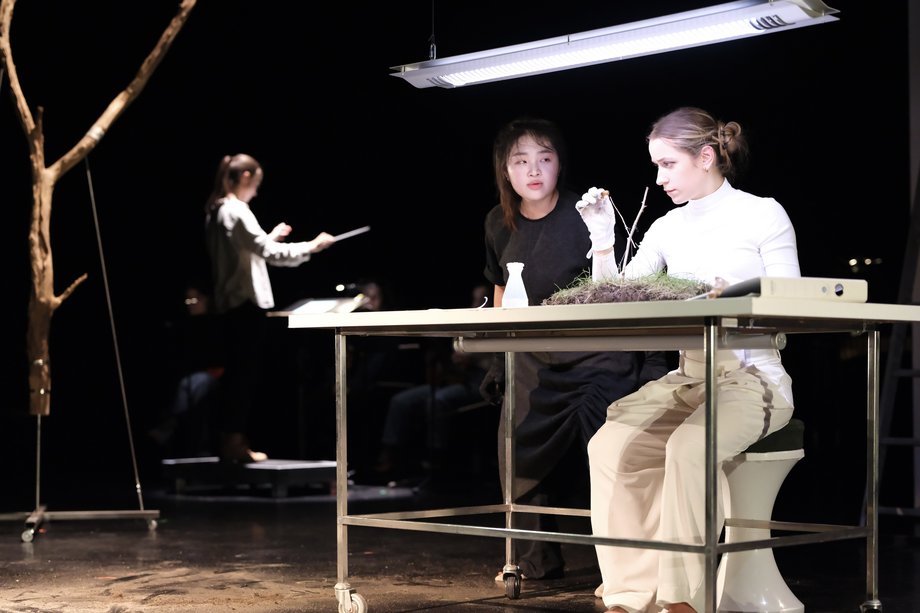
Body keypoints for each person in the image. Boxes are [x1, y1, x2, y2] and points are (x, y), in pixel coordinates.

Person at [579, 107, 800, 613]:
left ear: (706, 157)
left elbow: (792, 297)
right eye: (655, 166)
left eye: (668, 165)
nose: (659, 180)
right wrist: (602, 239)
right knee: (610, 446)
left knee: (688, 448)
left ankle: (684, 601)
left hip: (751, 378)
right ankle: (632, 595)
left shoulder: (762, 212)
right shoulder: (665, 227)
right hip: (688, 378)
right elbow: (618, 301)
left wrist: (732, 296)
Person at [481, 117, 669, 582]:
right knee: (516, 448)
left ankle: (627, 566)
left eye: (544, 158)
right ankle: (531, 559)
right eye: (520, 161)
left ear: (560, 164)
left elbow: (621, 284)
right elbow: (502, 287)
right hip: (530, 355)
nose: (533, 170)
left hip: (594, 353)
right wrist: (499, 357)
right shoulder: (497, 222)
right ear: (505, 170)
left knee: (610, 453)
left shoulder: (585, 212)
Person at [204, 153, 337, 463]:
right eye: (256, 184)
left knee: (237, 374)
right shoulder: (237, 210)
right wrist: (312, 246)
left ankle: (231, 440)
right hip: (245, 305)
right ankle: (233, 442)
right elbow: (268, 252)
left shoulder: (216, 210)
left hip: (230, 305)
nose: (257, 192)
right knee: (242, 376)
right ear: (246, 177)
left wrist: (269, 237)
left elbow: (248, 250)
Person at [365, 283, 492, 486]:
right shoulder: (471, 324)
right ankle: (390, 456)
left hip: (482, 381)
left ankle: (437, 462)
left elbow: (465, 356)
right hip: (457, 379)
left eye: (482, 299)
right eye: (475, 299)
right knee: (402, 401)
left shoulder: (495, 325)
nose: (477, 304)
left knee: (438, 401)